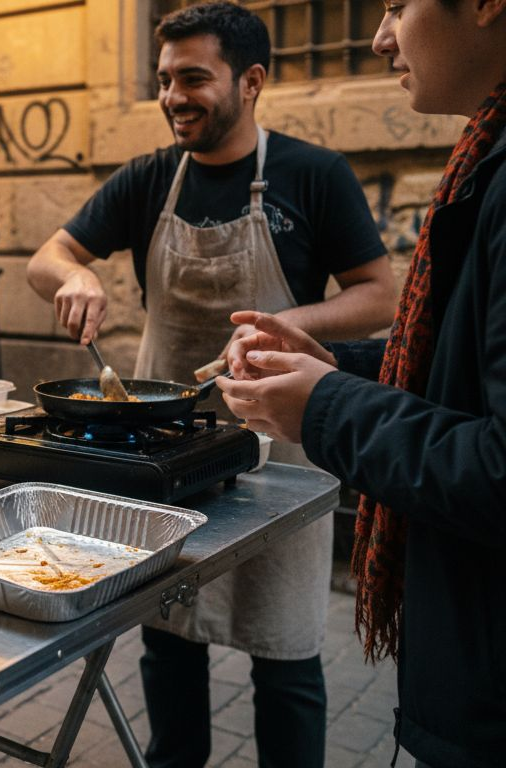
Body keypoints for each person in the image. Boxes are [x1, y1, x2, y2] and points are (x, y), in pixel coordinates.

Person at [25, 4, 397, 766]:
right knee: (170, 640)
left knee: (287, 652)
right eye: (164, 80)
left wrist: (292, 323)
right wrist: (75, 275)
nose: (172, 96)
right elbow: (47, 256)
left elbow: (380, 295)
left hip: (282, 456)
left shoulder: (314, 174)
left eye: (193, 78)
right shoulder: (149, 179)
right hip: (167, 451)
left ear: (251, 81)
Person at [217, 1, 506, 766]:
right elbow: (460, 380)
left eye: (397, 6)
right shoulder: (486, 152)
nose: (380, 37)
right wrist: (328, 363)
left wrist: (326, 404)